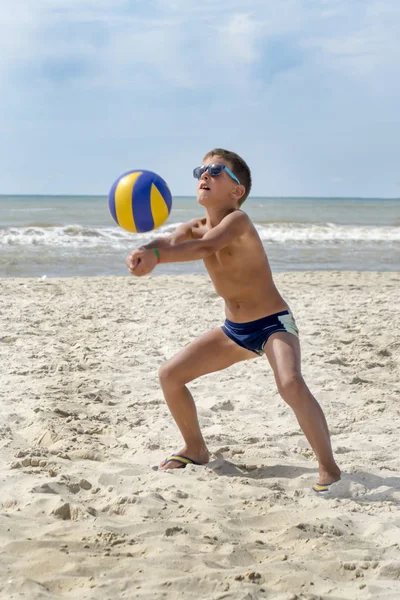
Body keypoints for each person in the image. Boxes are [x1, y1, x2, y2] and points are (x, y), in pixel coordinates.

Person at [126, 148, 340, 492]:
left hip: (273, 324)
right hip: (235, 331)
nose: (204, 176)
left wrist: (156, 257)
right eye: (201, 170)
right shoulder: (194, 227)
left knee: (290, 383)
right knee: (170, 375)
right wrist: (144, 252)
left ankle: (329, 470)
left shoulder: (238, 221)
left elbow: (204, 248)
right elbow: (168, 241)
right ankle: (195, 449)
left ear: (237, 191)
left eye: (215, 171)